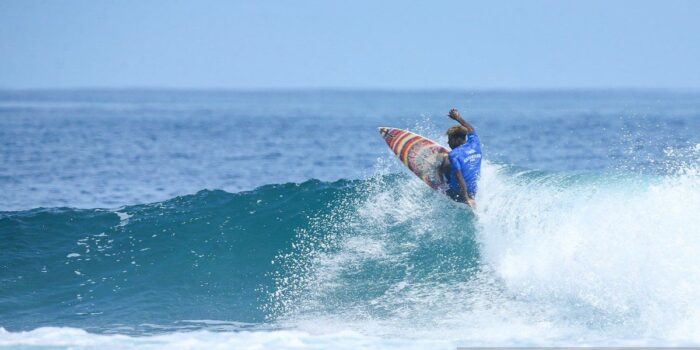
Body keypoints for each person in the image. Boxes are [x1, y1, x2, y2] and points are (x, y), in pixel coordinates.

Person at [441, 108, 482, 208]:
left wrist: (465, 198)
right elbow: (471, 129)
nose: (448, 142)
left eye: (449, 140)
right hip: (474, 190)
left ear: (456, 139)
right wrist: (458, 118)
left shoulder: (454, 154)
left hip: (457, 193)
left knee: (445, 161)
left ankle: (441, 178)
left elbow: (459, 176)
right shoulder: (475, 144)